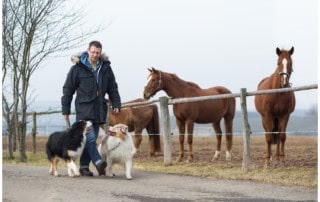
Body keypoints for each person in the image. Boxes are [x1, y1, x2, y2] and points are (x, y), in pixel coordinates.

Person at [61, 40, 121, 176]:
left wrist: (116, 103)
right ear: (88, 50)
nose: (95, 55)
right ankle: (99, 162)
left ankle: (83, 167)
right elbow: (68, 89)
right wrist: (66, 109)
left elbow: (112, 87)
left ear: (100, 53)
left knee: (89, 138)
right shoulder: (77, 68)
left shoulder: (105, 67)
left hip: (99, 109)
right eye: (93, 52)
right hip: (83, 108)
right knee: (90, 137)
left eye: (97, 53)